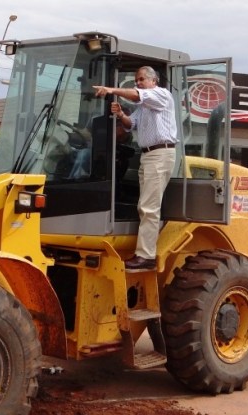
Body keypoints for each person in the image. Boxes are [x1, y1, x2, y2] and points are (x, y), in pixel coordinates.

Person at [94, 66, 177, 271]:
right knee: (145, 205)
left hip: (160, 154)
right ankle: (143, 252)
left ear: (153, 81)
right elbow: (131, 125)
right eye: (136, 80)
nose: (138, 83)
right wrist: (121, 114)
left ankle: (146, 256)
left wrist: (111, 90)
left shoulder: (161, 95)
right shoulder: (144, 106)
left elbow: (136, 95)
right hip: (148, 155)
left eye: (141, 79)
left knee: (149, 207)